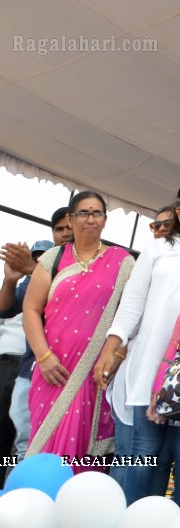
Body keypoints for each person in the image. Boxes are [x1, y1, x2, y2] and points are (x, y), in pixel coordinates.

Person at [99, 178, 180, 506]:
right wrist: (113, 348)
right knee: (143, 452)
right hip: (148, 363)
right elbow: (131, 305)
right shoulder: (158, 248)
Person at [19, 193, 135, 471]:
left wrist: (116, 356)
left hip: (96, 374)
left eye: (97, 213)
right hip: (52, 370)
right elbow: (31, 310)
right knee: (43, 443)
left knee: (85, 454)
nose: (90, 219)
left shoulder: (123, 262)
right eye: (83, 213)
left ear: (105, 220)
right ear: (70, 220)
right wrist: (44, 357)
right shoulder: (52, 258)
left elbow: (132, 316)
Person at [2, 209, 70, 462]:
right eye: (59, 229)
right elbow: (6, 308)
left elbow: (64, 293)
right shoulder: (41, 268)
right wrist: (10, 280)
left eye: (68, 227)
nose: (65, 233)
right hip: (29, 368)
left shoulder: (87, 266)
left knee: (58, 444)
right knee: (23, 442)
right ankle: (21, 494)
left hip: (69, 370)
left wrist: (32, 268)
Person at [0, 239, 56, 474]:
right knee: (7, 431)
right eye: (35, 257)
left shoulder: (60, 278)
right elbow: (5, 308)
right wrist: (11, 280)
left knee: (29, 438)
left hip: (42, 364)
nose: (36, 262)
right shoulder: (26, 284)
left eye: (43, 258)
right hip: (9, 364)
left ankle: (23, 487)